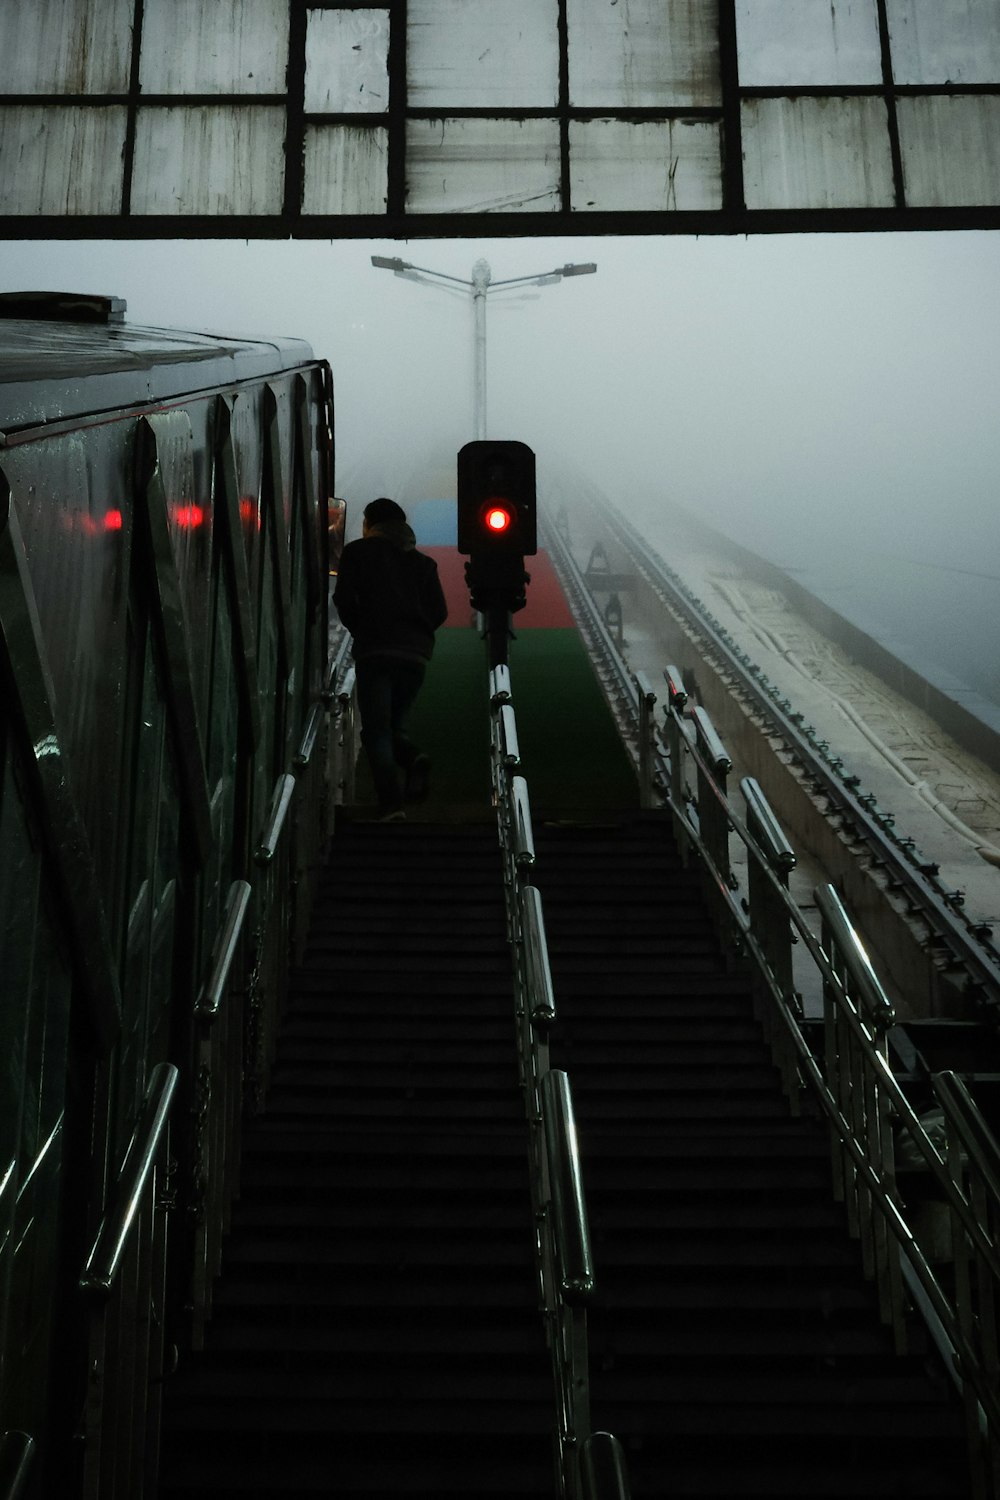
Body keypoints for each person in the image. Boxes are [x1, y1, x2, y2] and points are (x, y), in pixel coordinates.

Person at [333, 497, 448, 821]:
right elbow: (439, 610)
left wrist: (364, 627)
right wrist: (416, 633)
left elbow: (343, 599)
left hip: (376, 652)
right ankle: (413, 758)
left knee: (376, 732)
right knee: (395, 725)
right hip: (414, 657)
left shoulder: (357, 552)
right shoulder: (424, 564)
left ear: (370, 523)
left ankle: (392, 804)